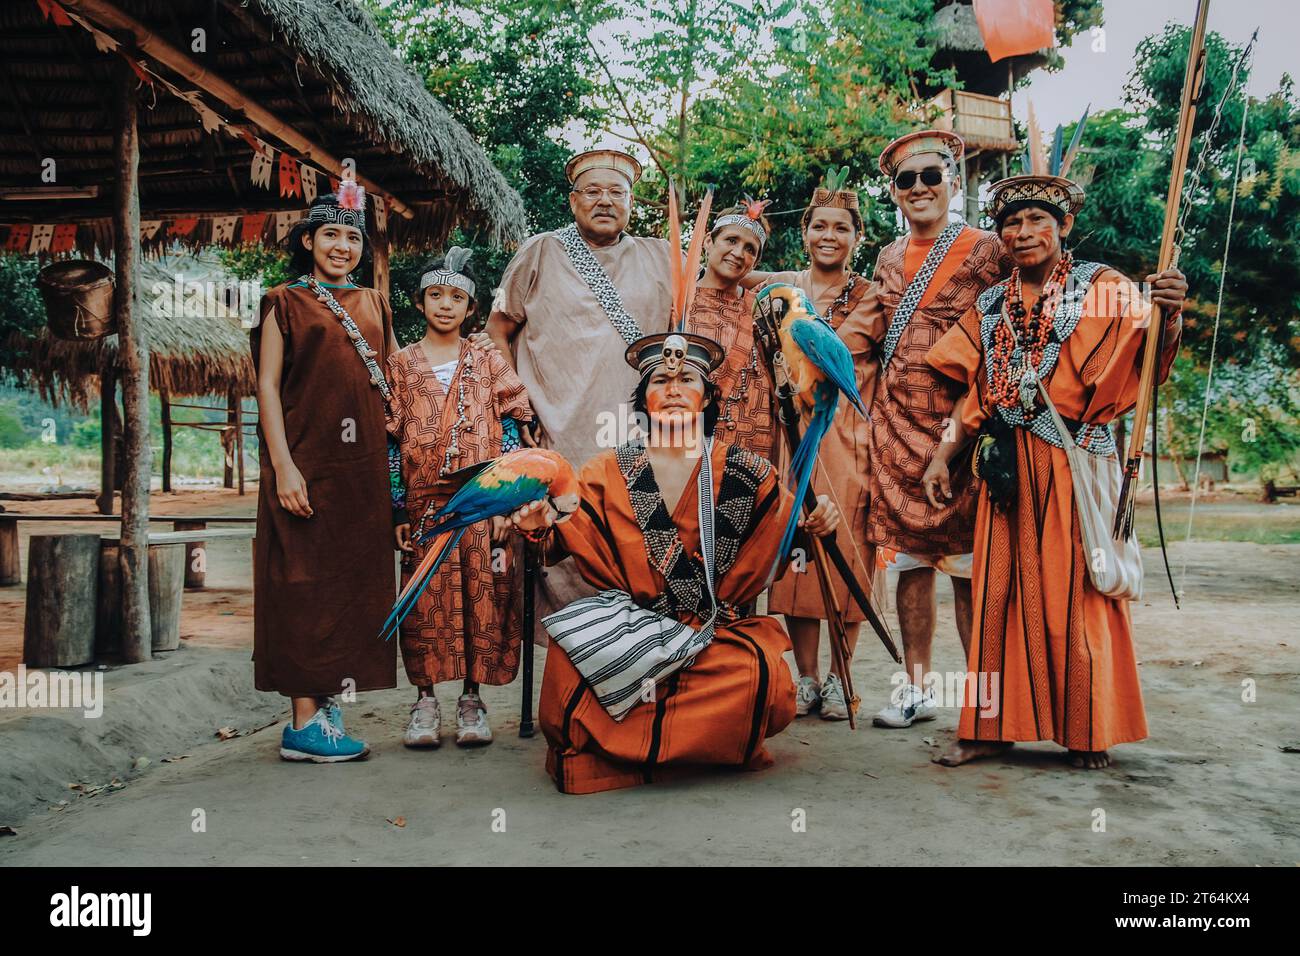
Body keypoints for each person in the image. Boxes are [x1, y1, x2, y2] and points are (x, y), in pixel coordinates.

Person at [922, 170, 1185, 769]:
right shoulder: (991, 305)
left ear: (1064, 227)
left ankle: (1087, 729)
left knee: (1080, 592)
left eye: (1038, 219)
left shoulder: (1105, 286)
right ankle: (988, 729)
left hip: (1075, 461)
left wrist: (1169, 312)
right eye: (1011, 222)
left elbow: (1150, 356)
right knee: (997, 596)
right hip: (1007, 469)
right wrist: (943, 456)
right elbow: (977, 397)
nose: (1023, 231)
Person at [506, 332, 842, 794]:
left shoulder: (746, 471)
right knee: (568, 668)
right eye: (660, 380)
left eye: (687, 379)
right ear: (643, 398)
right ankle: (704, 746)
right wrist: (537, 522)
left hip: (710, 636)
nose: (674, 389)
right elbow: (558, 541)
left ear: (707, 396)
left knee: (763, 679)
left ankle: (645, 746)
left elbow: (789, 532)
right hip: (629, 633)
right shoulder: (606, 471)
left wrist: (819, 519)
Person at [486, 148, 675, 624]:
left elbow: (722, 281)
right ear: (573, 202)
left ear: (633, 202)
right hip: (556, 430)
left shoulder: (659, 256)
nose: (605, 201)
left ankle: (632, 659)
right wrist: (516, 407)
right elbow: (497, 330)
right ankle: (571, 668)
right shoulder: (541, 251)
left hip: (638, 432)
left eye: (618, 192)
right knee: (563, 541)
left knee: (633, 543)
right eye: (593, 191)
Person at [251, 177, 397, 762]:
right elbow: (266, 386)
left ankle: (327, 709)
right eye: (330, 234)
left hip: (361, 472)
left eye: (351, 237)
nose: (342, 246)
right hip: (305, 463)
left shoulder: (375, 302)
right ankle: (301, 723)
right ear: (309, 241)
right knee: (302, 584)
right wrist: (284, 467)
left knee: (353, 586)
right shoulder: (282, 301)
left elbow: (390, 393)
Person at [742, 169, 878, 721]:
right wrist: (747, 219)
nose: (829, 235)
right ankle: (807, 679)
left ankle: (845, 674)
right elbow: (725, 270)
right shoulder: (778, 285)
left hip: (846, 435)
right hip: (789, 434)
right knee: (798, 549)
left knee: (848, 551)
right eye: (818, 225)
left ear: (856, 237)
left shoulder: (871, 294)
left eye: (841, 228)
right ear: (802, 232)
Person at [386, 248, 534, 748]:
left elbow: (512, 424)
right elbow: (390, 441)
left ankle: (472, 699)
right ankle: (425, 701)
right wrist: (397, 509)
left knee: (483, 596)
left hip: (482, 502)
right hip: (426, 506)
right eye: (435, 295)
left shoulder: (487, 358)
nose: (445, 305)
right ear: (419, 301)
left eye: (457, 297)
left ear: (471, 307)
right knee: (424, 601)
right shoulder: (400, 364)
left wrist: (506, 504)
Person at [683, 200, 777, 463]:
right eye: (731, 240)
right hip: (691, 443)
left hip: (754, 446)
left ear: (755, 262)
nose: (738, 252)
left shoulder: (763, 307)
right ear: (708, 242)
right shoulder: (678, 300)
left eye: (750, 249)